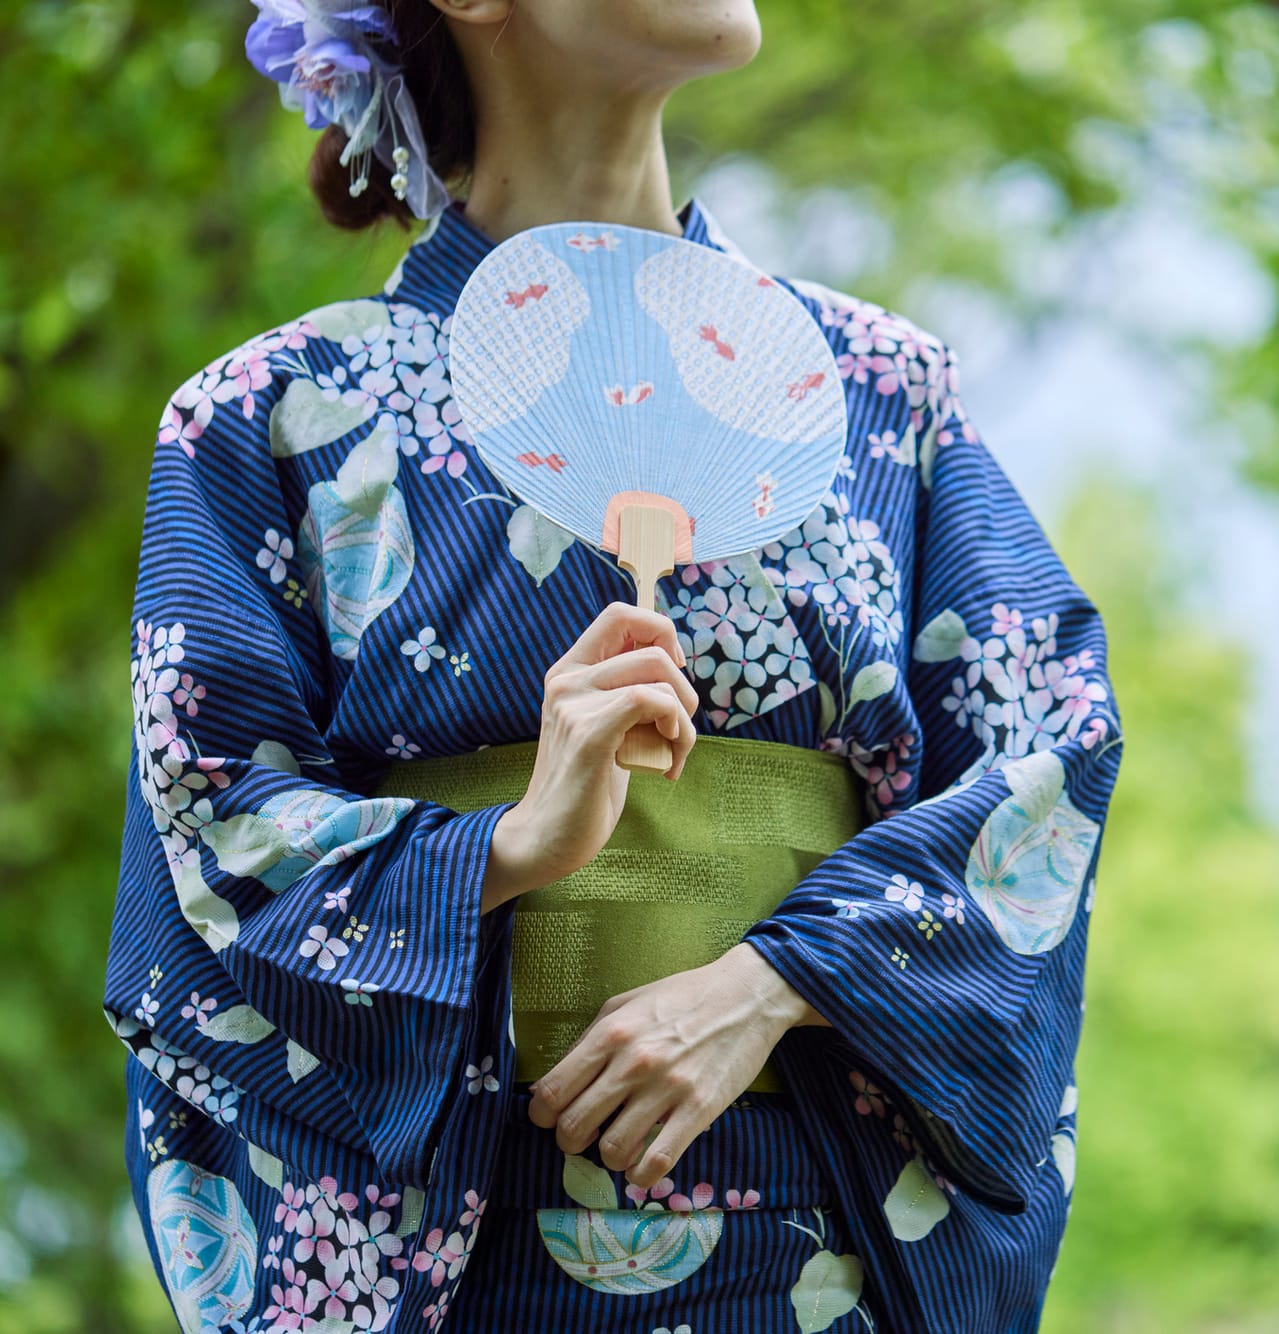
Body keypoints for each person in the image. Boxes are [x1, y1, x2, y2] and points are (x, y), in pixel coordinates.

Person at [104, 1, 1125, 1330]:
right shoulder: (273, 416)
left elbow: (1049, 752)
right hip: (469, 1258)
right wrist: (507, 851)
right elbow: (215, 820)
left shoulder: (878, 388)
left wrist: (777, 980)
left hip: (818, 1247)